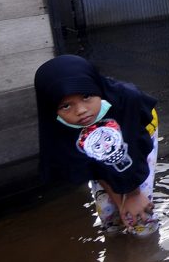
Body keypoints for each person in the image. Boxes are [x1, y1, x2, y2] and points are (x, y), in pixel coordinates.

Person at [34, 55, 159, 235]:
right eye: (66, 106)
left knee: (140, 213)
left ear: (96, 88)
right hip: (95, 141)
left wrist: (132, 195)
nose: (81, 110)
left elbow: (132, 153)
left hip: (136, 133)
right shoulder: (60, 125)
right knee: (110, 215)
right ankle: (117, 241)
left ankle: (147, 242)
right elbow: (89, 164)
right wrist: (119, 201)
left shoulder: (126, 100)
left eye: (86, 96)